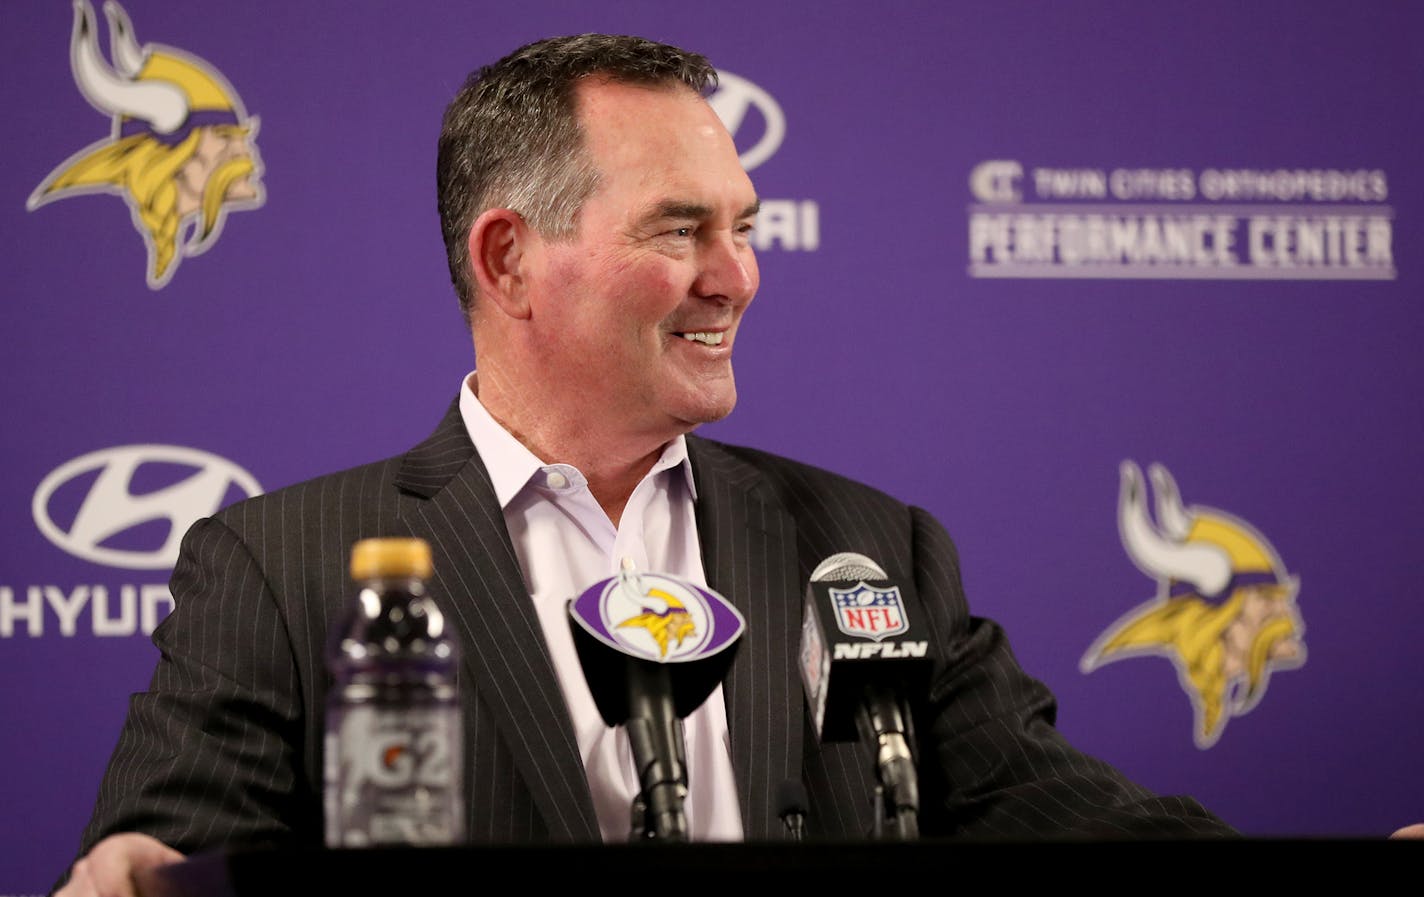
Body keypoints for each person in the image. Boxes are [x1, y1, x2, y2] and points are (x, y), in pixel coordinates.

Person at [52, 31, 1423, 897]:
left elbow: (1057, 812)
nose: (739, 275)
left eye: (747, 224)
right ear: (510, 257)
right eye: (681, 229)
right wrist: (127, 872)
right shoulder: (283, 564)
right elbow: (166, 859)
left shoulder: (866, 546)